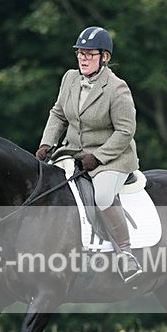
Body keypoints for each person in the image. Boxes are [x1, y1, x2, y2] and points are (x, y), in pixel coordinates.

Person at [35, 26, 143, 283]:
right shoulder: (70, 78)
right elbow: (58, 113)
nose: (83, 59)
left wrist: (99, 157)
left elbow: (125, 131)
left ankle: (126, 254)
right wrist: (46, 143)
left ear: (104, 57)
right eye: (80, 54)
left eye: (89, 54)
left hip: (112, 158)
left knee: (102, 195)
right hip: (73, 152)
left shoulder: (117, 88)